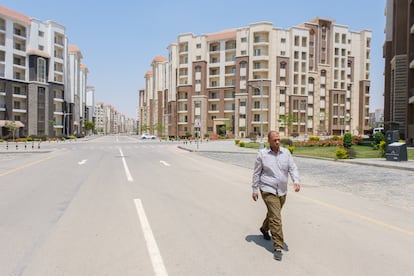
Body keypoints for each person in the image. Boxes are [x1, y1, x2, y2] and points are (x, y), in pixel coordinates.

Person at [251, 130, 300, 261]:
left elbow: (292, 168)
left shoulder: (286, 153)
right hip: (267, 189)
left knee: (273, 214)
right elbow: (256, 173)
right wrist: (255, 189)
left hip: (282, 190)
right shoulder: (262, 154)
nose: (277, 142)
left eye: (279, 139)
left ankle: (264, 228)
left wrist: (296, 181)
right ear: (269, 141)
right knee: (276, 218)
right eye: (274, 140)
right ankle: (278, 246)